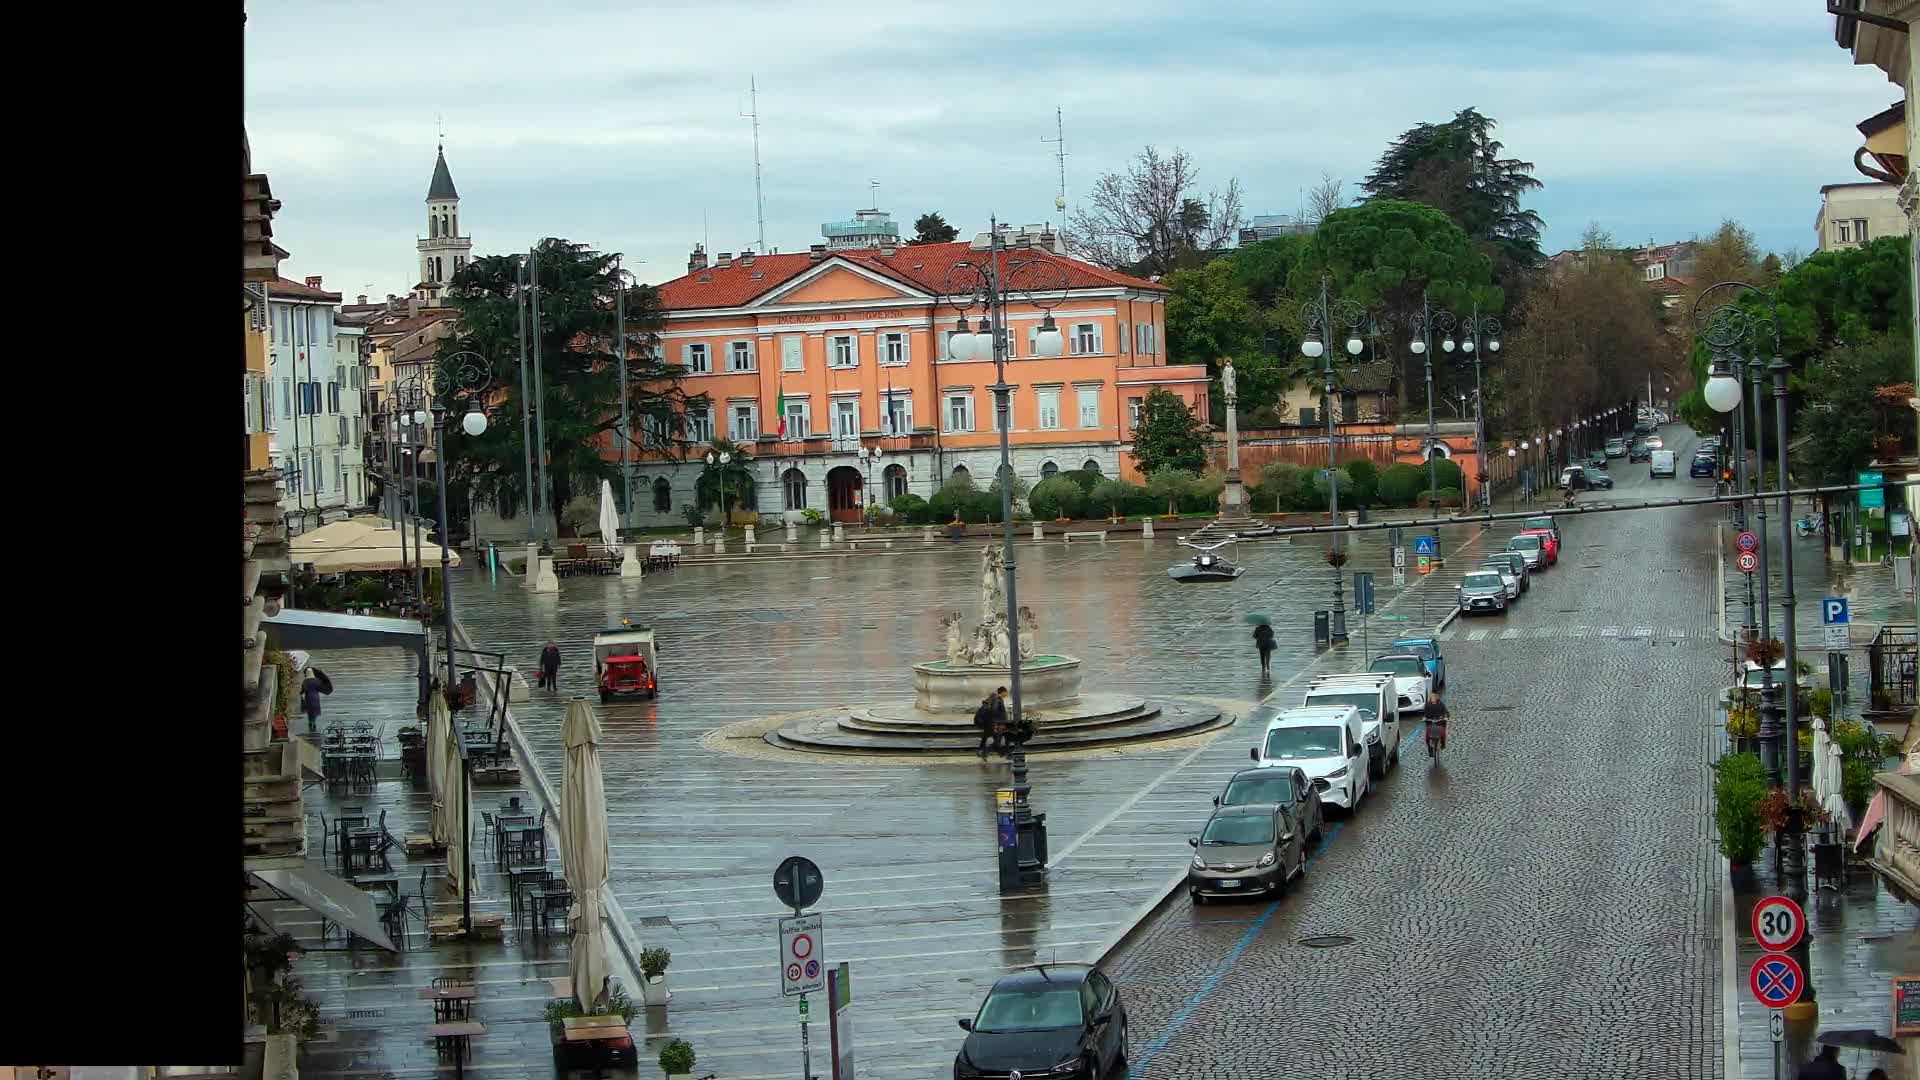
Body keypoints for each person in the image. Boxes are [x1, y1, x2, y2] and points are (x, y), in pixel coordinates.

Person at [974, 688, 1008, 759]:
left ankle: (1000, 753)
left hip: (990, 722)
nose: (1006, 694)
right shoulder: (997, 699)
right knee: (997, 739)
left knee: (988, 737)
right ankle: (987, 752)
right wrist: (998, 721)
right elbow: (994, 710)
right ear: (1003, 692)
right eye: (1006, 693)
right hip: (995, 723)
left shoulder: (993, 698)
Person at [1424, 690, 1449, 755]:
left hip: (1440, 723)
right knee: (1427, 737)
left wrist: (1445, 717)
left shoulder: (1441, 704)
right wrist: (1425, 718)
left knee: (1443, 733)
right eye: (1432, 697)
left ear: (1437, 697)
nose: (1433, 698)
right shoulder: (1427, 705)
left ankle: (1443, 743)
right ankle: (1429, 748)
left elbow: (1446, 712)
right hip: (1430, 723)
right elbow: (1425, 714)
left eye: (1434, 696)